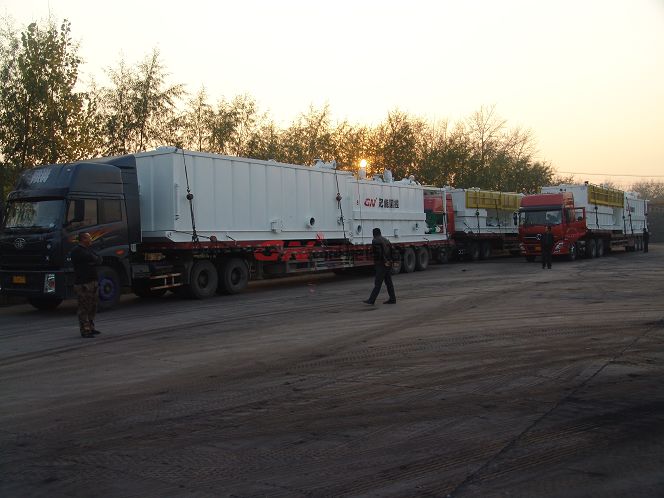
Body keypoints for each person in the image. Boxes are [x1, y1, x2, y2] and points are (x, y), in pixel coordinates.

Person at [70, 232, 103, 338]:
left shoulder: (88, 250)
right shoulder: (77, 251)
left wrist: (93, 260)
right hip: (83, 284)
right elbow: (92, 258)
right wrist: (93, 260)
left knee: (93, 306)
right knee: (84, 307)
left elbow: (99, 260)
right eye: (89, 238)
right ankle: (85, 330)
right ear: (83, 239)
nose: (91, 240)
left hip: (93, 282)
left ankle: (91, 327)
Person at [364, 228, 396, 305]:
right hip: (388, 264)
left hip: (381, 264)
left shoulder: (375, 241)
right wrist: (390, 261)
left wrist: (383, 261)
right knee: (389, 283)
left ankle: (371, 300)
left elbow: (379, 253)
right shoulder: (386, 240)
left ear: (374, 233)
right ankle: (392, 299)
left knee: (377, 283)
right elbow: (392, 251)